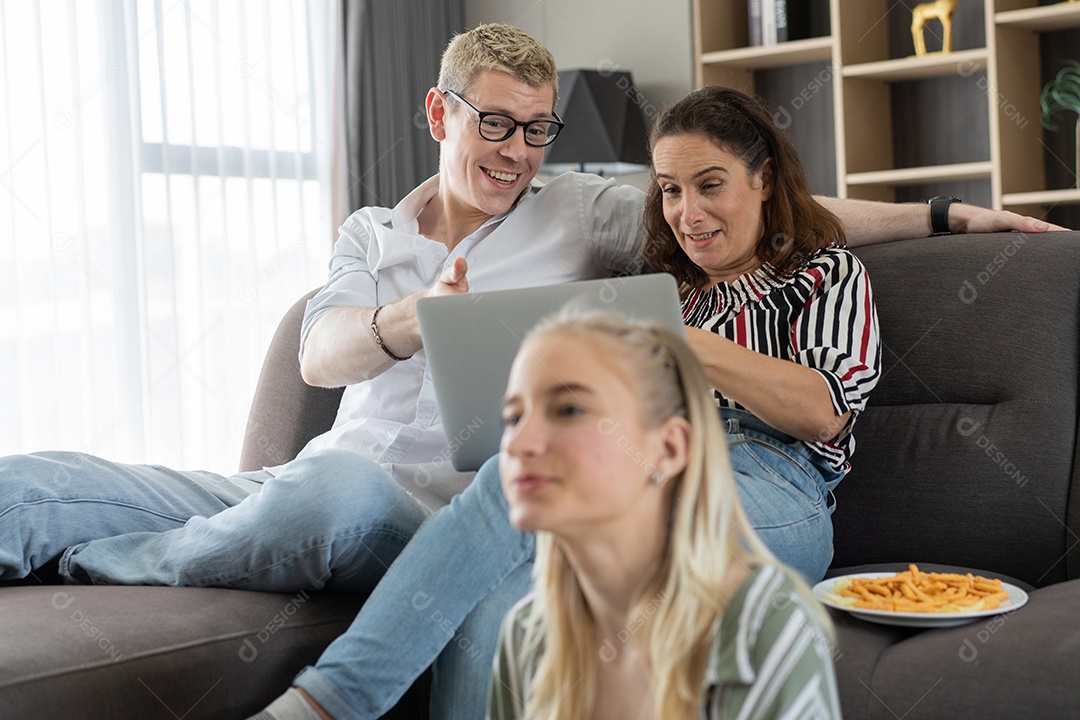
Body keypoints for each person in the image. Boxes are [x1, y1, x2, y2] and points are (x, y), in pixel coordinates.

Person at [0, 18, 1053, 720]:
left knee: (495, 490)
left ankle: (325, 699)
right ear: (440, 114)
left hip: (738, 484)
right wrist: (420, 324)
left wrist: (945, 213)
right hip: (495, 474)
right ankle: (199, 618)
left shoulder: (786, 263)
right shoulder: (416, 236)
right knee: (505, 547)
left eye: (536, 130)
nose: (689, 212)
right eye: (672, 191)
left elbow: (820, 403)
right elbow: (324, 350)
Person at [488, 308, 840, 720]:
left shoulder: (761, 623)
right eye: (513, 417)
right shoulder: (527, 634)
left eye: (569, 410)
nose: (517, 444)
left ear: (669, 449)